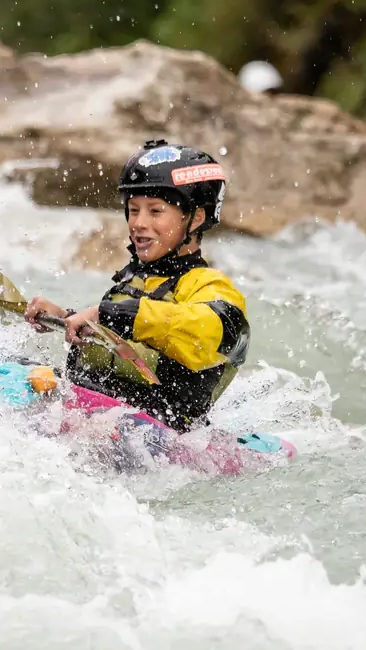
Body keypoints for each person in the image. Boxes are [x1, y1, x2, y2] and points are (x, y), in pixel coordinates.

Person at [24, 139, 249, 433]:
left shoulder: (211, 286)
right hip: (101, 411)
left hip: (160, 437)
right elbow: (123, 338)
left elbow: (213, 332)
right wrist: (66, 318)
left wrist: (108, 314)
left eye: (155, 211)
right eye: (133, 210)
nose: (138, 223)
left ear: (196, 218)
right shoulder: (135, 281)